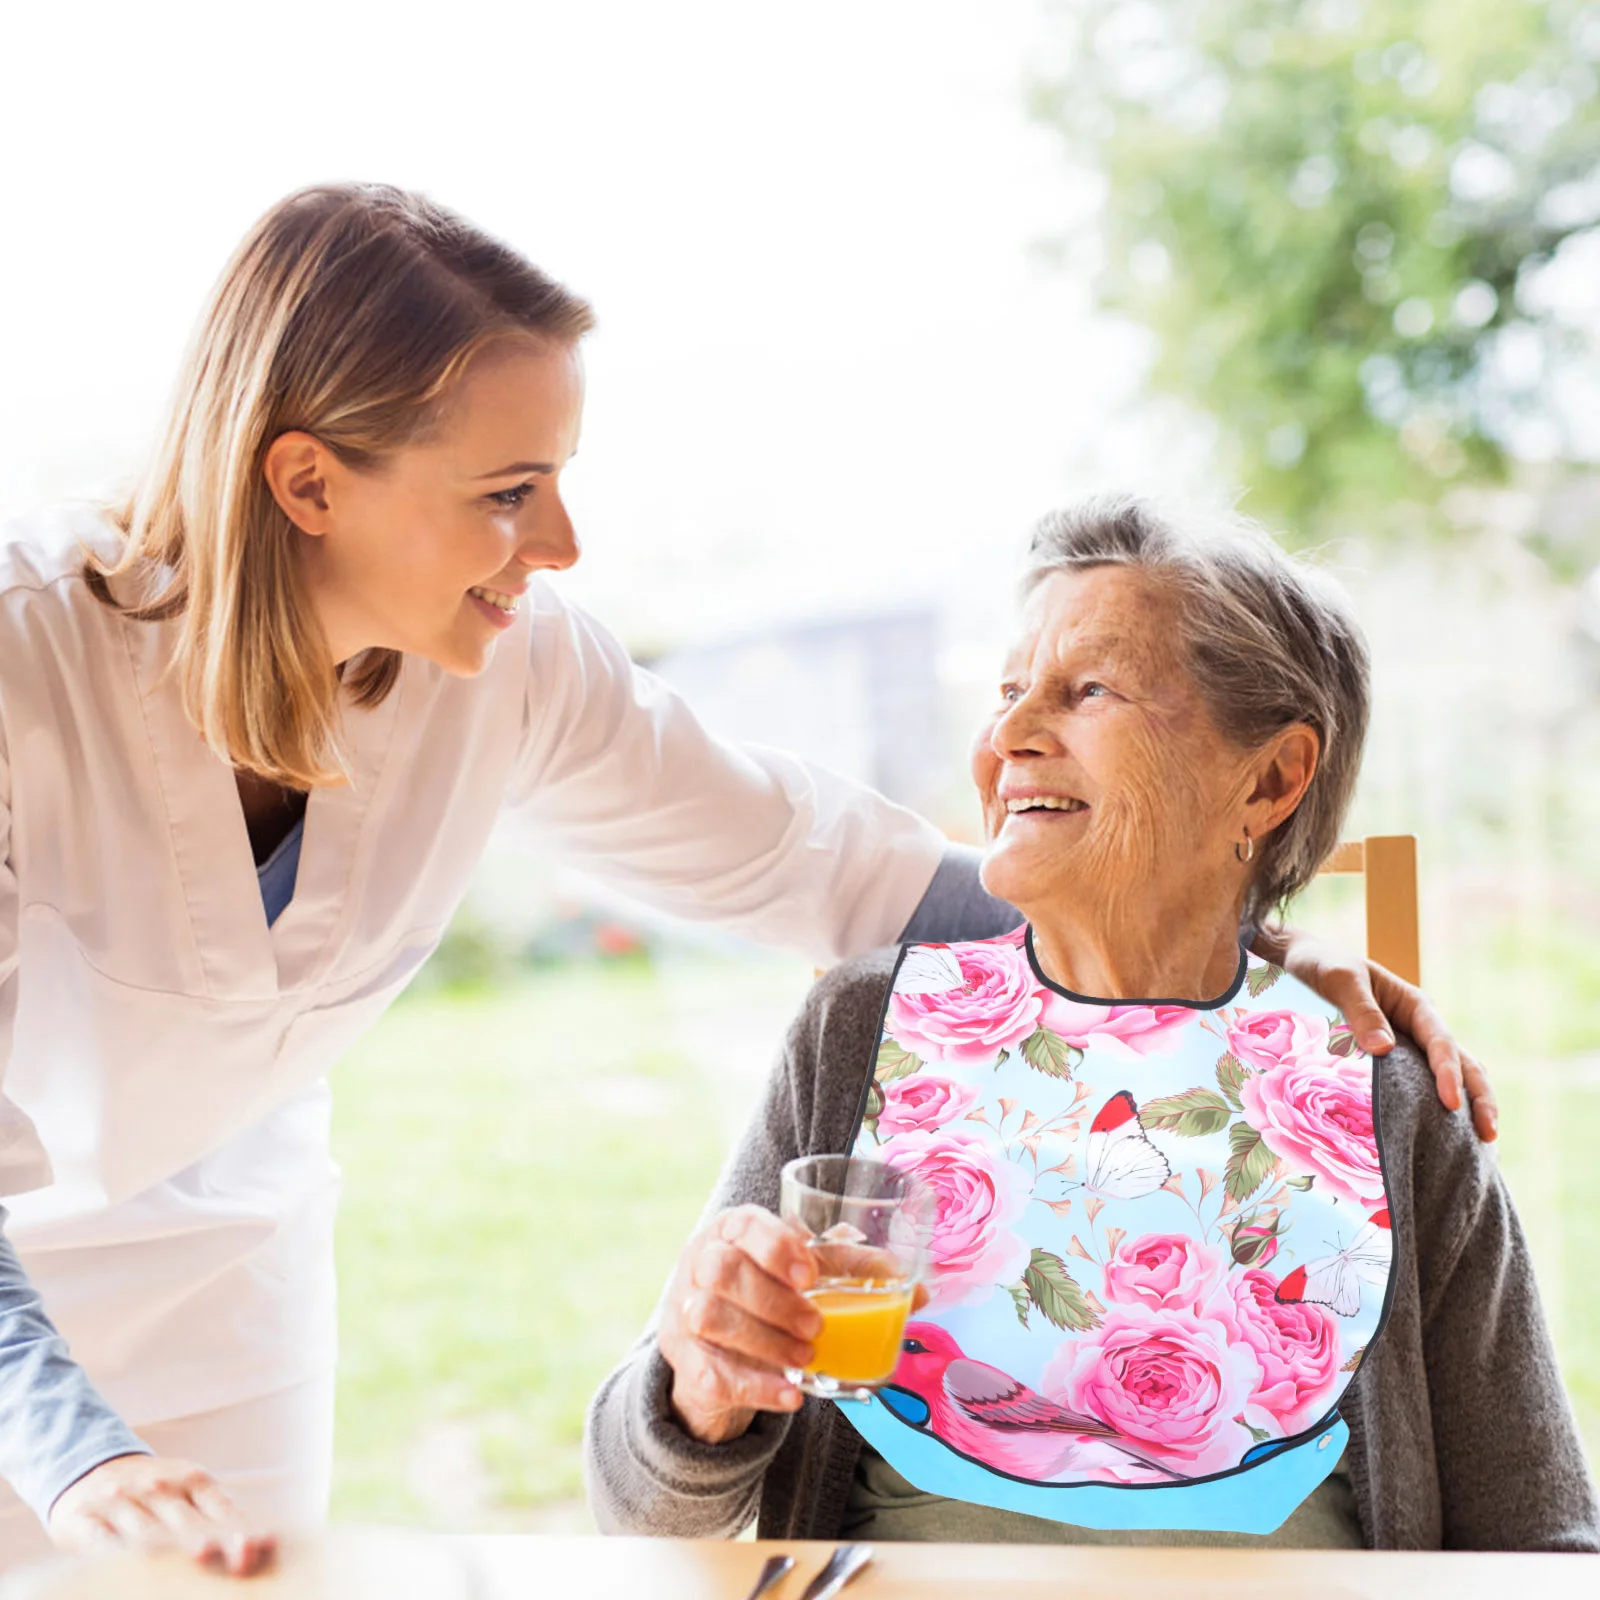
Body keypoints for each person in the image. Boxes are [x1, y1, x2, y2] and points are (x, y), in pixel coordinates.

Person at [0, 186, 1484, 1576]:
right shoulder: (23, 661)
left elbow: (817, 860)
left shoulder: (504, 667)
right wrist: (68, 1453)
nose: (562, 546)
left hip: (228, 1265)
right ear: (309, 482)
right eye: (510, 491)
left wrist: (1235, 960)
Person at [585, 497, 1599, 1551]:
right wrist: (695, 1387)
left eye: (1087, 691)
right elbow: (640, 1507)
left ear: (1269, 779)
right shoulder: (856, 1030)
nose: (1010, 736)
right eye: (1011, 689)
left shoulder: (1385, 1092)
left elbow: (1542, 1538)